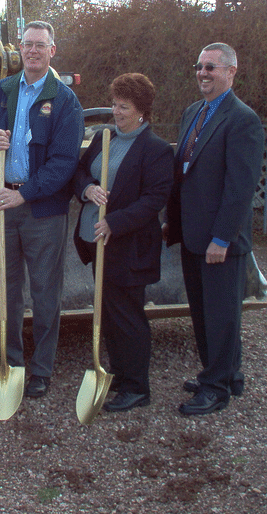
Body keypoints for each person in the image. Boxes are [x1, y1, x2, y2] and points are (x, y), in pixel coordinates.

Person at [0, 20, 84, 398]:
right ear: (19, 50)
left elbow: (64, 161)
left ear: (52, 50)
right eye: (27, 45)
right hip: (3, 203)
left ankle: (41, 369)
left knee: (44, 291)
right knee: (4, 289)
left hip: (43, 210)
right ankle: (10, 363)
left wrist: (25, 194)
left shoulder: (65, 100)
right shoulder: (0, 92)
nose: (33, 51)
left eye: (40, 45)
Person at [163, 43, 264, 416]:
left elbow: (240, 187)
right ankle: (225, 374)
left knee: (222, 316)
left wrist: (222, 237)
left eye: (211, 67)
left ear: (231, 72)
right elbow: (183, 173)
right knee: (204, 313)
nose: (203, 73)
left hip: (220, 240)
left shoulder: (243, 120)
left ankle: (215, 389)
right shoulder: (193, 112)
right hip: (192, 234)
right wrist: (172, 222)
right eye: (199, 67)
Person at [73, 73, 174, 412]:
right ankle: (117, 372)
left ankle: (136, 387)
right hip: (95, 241)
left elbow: (154, 199)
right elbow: (80, 172)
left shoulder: (155, 150)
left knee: (127, 315)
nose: (116, 112)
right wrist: (87, 189)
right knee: (109, 311)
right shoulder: (105, 138)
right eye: (114, 104)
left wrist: (115, 222)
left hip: (127, 248)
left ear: (142, 113)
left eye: (124, 107)